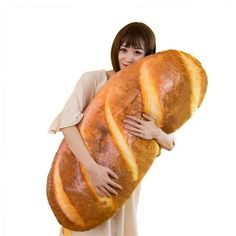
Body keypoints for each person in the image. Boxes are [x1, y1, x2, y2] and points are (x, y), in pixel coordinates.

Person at [49, 22, 175, 236]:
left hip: (125, 186)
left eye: (137, 52)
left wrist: (155, 133)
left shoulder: (148, 92)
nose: (128, 58)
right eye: (124, 50)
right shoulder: (94, 79)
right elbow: (67, 124)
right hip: (89, 180)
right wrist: (91, 168)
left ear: (149, 56)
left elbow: (170, 142)